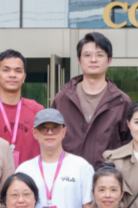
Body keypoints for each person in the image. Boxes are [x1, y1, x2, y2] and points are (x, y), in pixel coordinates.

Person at [15, 108, 94, 208]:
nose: (50, 133)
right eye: (44, 128)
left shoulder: (82, 167)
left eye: (55, 128)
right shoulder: (24, 170)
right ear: (34, 133)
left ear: (64, 132)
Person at [52, 31, 132, 168]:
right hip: (68, 176)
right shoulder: (62, 99)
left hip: (107, 178)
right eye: (87, 55)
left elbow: (128, 147)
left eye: (100, 55)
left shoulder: (122, 102)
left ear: (109, 60)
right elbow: (50, 140)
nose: (93, 60)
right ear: (79, 60)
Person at [0, 49, 43, 168]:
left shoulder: (37, 110)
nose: (12, 75)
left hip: (30, 177)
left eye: (18, 71)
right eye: (6, 70)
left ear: (24, 77)